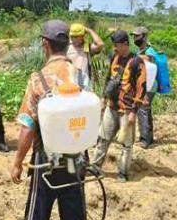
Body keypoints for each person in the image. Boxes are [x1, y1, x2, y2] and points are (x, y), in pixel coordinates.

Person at [11, 20, 85, 220]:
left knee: (33, 218)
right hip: (75, 158)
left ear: (45, 45)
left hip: (45, 160)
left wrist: (17, 162)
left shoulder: (38, 80)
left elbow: (28, 127)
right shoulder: (82, 77)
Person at [93, 30, 146, 182]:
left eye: (117, 44)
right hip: (111, 106)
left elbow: (141, 88)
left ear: (124, 44)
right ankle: (95, 167)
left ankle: (123, 172)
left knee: (126, 144)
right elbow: (108, 78)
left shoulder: (137, 62)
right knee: (103, 138)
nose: (114, 47)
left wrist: (134, 112)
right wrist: (103, 98)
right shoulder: (114, 58)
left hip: (127, 109)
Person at [131, 26, 157, 149]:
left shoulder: (149, 51)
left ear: (144, 37)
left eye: (138, 36)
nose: (135, 38)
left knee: (142, 110)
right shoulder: (138, 51)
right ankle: (149, 138)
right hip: (143, 86)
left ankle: (145, 140)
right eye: (134, 36)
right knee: (146, 110)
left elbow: (150, 64)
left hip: (149, 86)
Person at [67, 23, 104, 89]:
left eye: (76, 37)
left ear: (82, 36)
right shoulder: (66, 47)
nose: (73, 39)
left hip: (85, 85)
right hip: (69, 84)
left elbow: (100, 44)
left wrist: (89, 31)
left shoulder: (87, 47)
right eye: (72, 36)